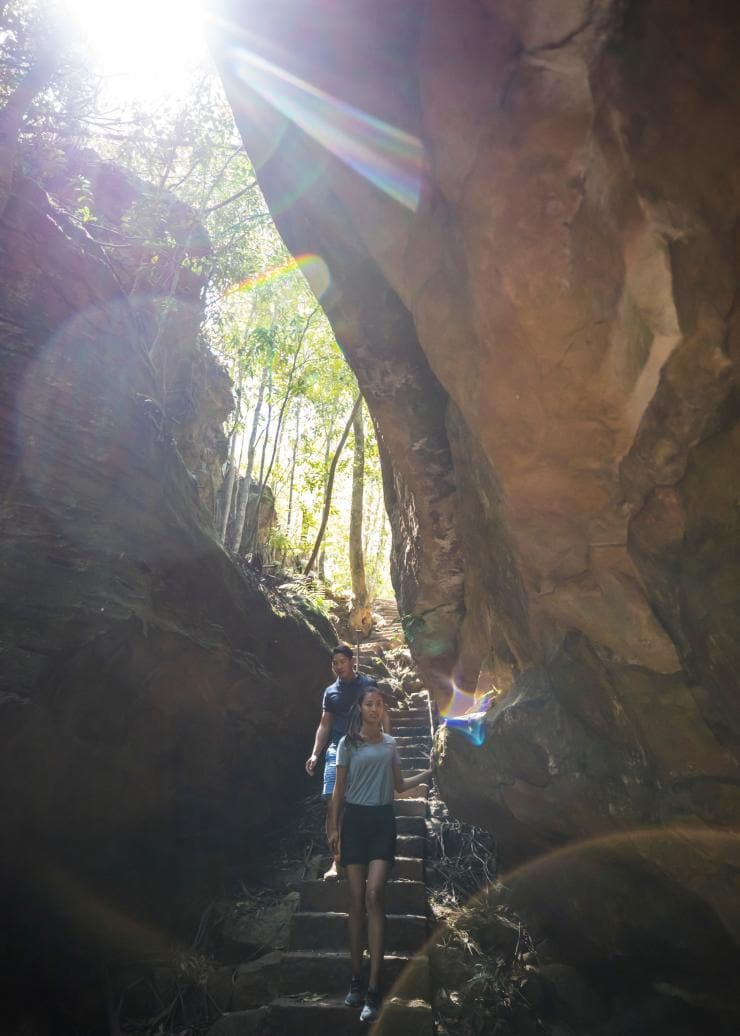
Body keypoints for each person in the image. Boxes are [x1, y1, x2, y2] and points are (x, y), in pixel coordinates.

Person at [327, 686, 432, 1024]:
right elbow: (338, 792)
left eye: (379, 705)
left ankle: (374, 987)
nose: (375, 709)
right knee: (356, 901)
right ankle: (356, 978)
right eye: (369, 704)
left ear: (384, 709)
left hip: (383, 821)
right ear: (360, 708)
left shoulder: (390, 744)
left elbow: (400, 786)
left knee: (374, 895)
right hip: (355, 822)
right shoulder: (347, 744)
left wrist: (431, 772)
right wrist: (333, 829)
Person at [305, 643, 388, 880]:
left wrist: (387, 743)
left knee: (359, 803)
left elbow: (382, 713)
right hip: (336, 750)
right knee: (333, 802)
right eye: (335, 663)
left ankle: (364, 855)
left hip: (363, 748)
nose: (339, 666)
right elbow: (325, 724)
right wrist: (315, 753)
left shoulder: (368, 685)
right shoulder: (331, 692)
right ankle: (337, 860)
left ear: (352, 662)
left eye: (343, 662)